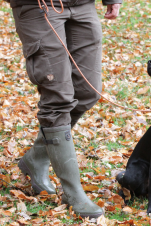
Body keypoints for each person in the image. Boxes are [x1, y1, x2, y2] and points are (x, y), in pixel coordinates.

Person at [7, 0, 122, 218]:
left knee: (87, 91)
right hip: (38, 6)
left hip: (82, 4)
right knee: (57, 99)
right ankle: (73, 193)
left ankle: (36, 158)